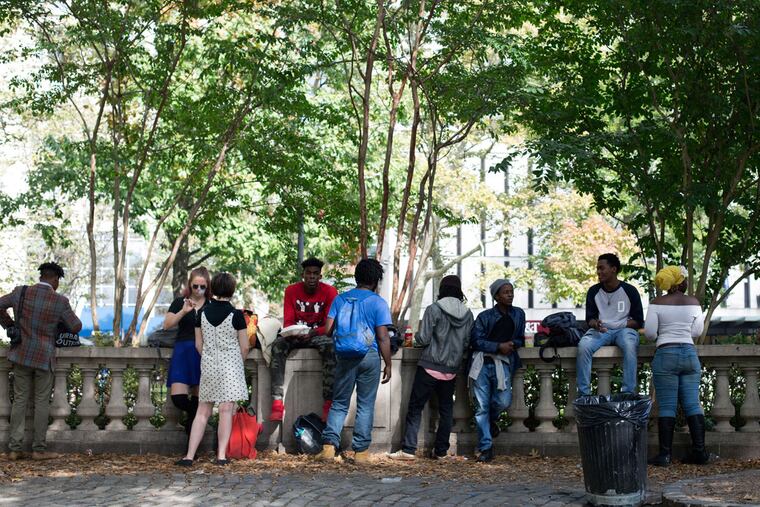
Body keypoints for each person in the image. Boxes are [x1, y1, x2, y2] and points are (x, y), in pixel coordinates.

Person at [0, 262, 82, 460]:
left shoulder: (21, 292)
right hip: (44, 357)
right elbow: (76, 326)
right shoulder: (60, 301)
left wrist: (9, 324)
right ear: (55, 280)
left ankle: (14, 449)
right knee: (41, 402)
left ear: (41, 276)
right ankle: (38, 449)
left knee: (19, 400)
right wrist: (59, 321)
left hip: (21, 353)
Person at [387, 275, 473, 461]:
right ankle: (441, 452)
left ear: (441, 289)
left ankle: (408, 450)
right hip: (450, 370)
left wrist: (408, 340)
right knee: (446, 410)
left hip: (429, 366)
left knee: (416, 407)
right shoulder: (467, 314)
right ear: (459, 290)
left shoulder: (434, 309)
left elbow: (423, 339)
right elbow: (466, 342)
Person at [316, 258, 392, 464]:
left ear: (356, 277)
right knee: (365, 405)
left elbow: (328, 330)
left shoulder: (341, 300)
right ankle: (361, 453)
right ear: (376, 280)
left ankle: (329, 448)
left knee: (339, 402)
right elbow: (383, 336)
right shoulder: (378, 302)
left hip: (344, 356)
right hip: (369, 356)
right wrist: (388, 363)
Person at [176, 272, 249, 466]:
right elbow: (244, 346)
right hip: (230, 366)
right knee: (226, 409)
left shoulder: (202, 313)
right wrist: (237, 362)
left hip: (208, 365)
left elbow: (199, 345)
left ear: (212, 289)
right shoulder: (236, 315)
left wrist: (210, 357)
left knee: (202, 410)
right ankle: (221, 456)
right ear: (232, 291)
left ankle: (189, 456)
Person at [645, 266, 710, 466]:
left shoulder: (657, 303)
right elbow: (697, 331)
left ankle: (665, 455)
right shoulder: (694, 303)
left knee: (667, 406)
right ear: (682, 282)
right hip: (690, 355)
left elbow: (649, 334)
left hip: (666, 354)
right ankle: (699, 452)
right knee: (692, 403)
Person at [270, 257, 338, 422]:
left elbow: (330, 325)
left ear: (320, 276)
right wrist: (296, 332)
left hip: (318, 335)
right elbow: (288, 322)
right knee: (277, 345)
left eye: (316, 273)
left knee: (330, 346)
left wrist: (313, 333)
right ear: (303, 275)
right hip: (296, 334)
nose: (312, 277)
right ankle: (277, 402)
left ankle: (328, 404)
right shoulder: (291, 291)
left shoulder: (330, 292)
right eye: (308, 273)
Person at [468, 279, 525, 463]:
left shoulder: (519, 314)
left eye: (511, 291)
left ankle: (491, 421)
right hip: (482, 364)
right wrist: (498, 346)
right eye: (505, 292)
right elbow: (476, 341)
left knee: (503, 401)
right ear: (496, 296)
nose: (510, 294)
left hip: (504, 363)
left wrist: (512, 344)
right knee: (481, 407)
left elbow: (520, 337)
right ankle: (486, 447)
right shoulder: (484, 317)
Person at [576, 253, 643, 397]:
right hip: (601, 331)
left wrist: (620, 324)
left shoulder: (630, 291)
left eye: (602, 268)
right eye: (597, 269)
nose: (598, 272)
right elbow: (590, 319)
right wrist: (596, 324)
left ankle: (628, 393)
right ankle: (584, 395)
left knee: (630, 345)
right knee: (584, 346)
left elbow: (638, 321)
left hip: (624, 330)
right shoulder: (594, 291)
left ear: (613, 269)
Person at [164, 267, 211, 436]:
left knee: (199, 399)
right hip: (183, 352)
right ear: (189, 285)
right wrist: (184, 311)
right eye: (195, 286)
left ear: (208, 286)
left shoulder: (211, 305)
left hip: (203, 353)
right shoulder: (179, 302)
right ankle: (200, 414)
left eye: (202, 287)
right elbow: (167, 324)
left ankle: (190, 451)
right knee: (179, 399)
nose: (198, 290)